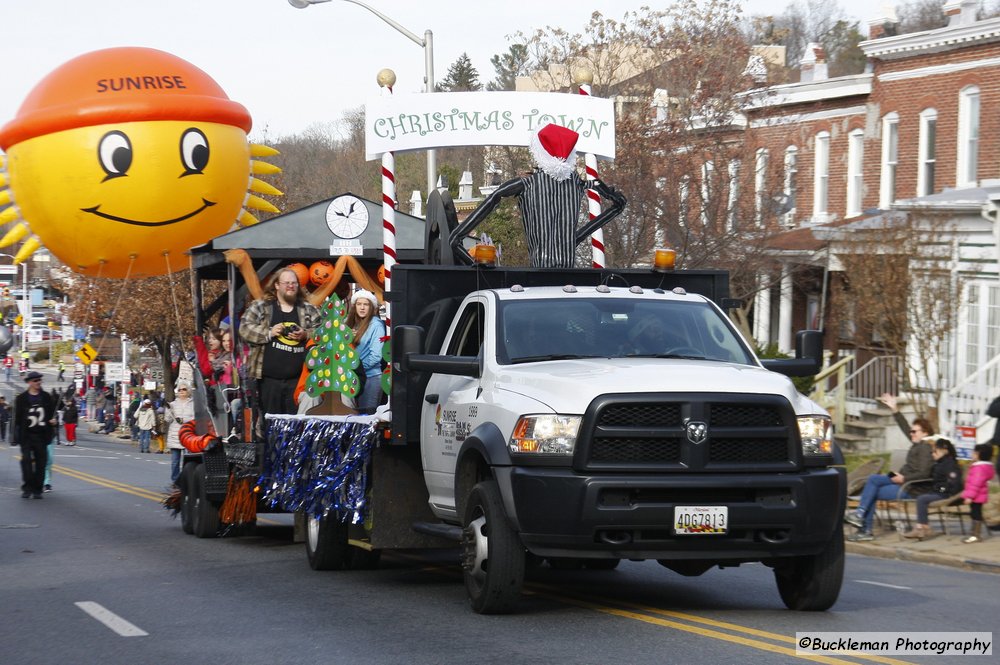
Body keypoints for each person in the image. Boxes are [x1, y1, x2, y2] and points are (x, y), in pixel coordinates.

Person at [240, 267, 321, 428]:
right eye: (286, 283)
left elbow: (324, 332)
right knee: (270, 426)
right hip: (269, 381)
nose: (290, 286)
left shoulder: (308, 309)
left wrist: (306, 334)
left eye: (294, 283)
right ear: (277, 285)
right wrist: (269, 332)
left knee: (296, 426)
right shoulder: (261, 307)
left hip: (299, 381)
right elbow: (244, 329)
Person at [845, 415, 935, 541]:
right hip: (902, 480)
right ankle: (863, 525)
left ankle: (863, 525)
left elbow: (925, 473)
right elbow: (904, 427)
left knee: (872, 481)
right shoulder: (917, 445)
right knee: (873, 484)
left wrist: (904, 478)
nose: (911, 433)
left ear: (925, 433)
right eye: (911, 431)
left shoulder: (926, 448)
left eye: (914, 431)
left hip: (911, 487)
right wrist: (895, 411)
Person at [902, 439, 963, 540]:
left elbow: (953, 483)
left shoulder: (950, 464)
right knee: (922, 497)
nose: (932, 454)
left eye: (935, 452)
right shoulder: (939, 463)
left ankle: (922, 527)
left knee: (922, 499)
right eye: (931, 452)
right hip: (938, 491)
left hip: (946, 494)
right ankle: (923, 528)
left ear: (945, 450)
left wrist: (941, 490)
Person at [12, 371, 57, 499]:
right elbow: (16, 420)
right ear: (29, 382)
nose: (38, 382)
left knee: (41, 463)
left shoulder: (46, 397)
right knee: (26, 461)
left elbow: (52, 415)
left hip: (41, 435)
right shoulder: (21, 399)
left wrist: (53, 422)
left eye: (39, 380)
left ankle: (37, 489)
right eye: (35, 380)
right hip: (26, 435)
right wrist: (14, 437)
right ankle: (27, 487)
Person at [346, 289, 386, 415]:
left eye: (366, 304)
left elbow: (376, 356)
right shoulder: (350, 325)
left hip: (370, 377)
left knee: (366, 416)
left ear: (372, 307)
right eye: (359, 304)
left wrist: (356, 369)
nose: (362, 308)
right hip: (351, 377)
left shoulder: (376, 325)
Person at [961, 443, 996, 544]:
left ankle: (975, 535)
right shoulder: (983, 467)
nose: (972, 454)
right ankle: (974, 533)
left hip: (976, 496)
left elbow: (975, 484)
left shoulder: (979, 468)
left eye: (974, 452)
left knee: (975, 514)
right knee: (976, 513)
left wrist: (969, 497)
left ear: (978, 454)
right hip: (979, 495)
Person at [162, 382, 195, 485]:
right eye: (179, 390)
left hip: (187, 435)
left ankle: (185, 480)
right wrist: (168, 411)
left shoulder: (193, 404)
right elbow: (167, 419)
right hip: (175, 435)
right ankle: (175, 480)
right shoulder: (173, 404)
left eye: (184, 389)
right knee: (175, 462)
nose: (181, 391)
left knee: (187, 460)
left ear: (188, 391)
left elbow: (195, 418)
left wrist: (184, 420)